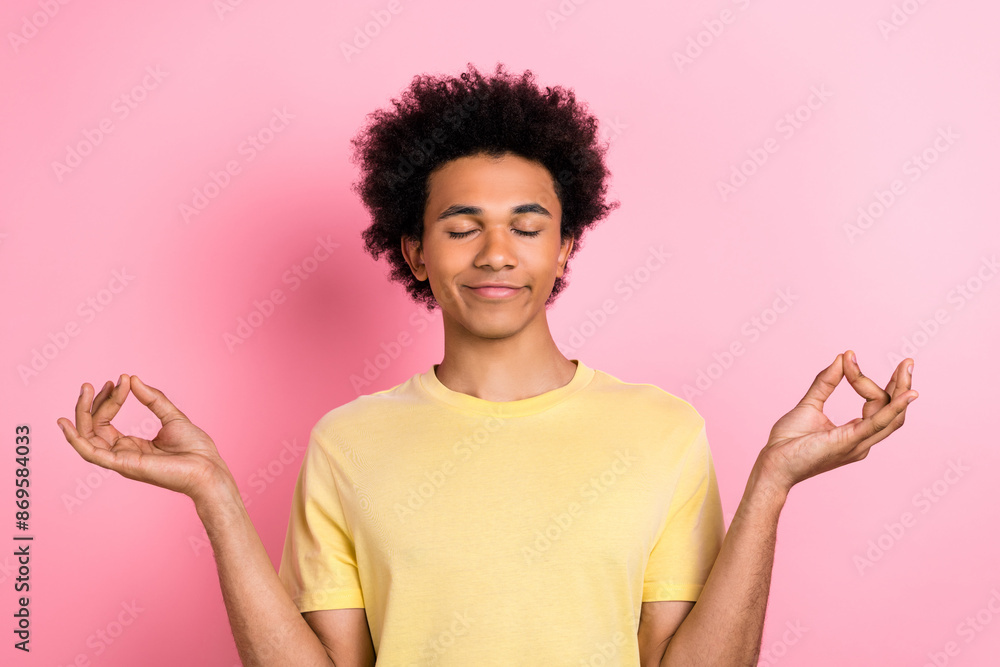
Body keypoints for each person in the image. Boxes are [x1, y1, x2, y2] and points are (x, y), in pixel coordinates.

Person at [58, 63, 918, 666]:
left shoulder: (662, 430)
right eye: (462, 225)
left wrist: (772, 480)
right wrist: (215, 495)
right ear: (415, 249)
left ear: (565, 246)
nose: (496, 252)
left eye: (527, 225)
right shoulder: (347, 442)